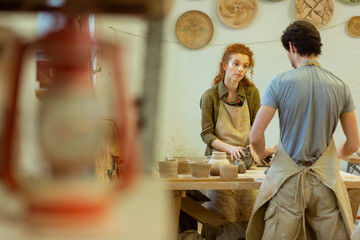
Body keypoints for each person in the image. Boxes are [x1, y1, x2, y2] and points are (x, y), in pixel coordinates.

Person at [246, 20, 360, 239]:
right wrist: (329, 160)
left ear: (291, 47)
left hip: (287, 182)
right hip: (325, 185)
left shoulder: (280, 82)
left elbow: (255, 135)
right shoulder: (340, 86)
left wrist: (262, 155)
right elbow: (354, 143)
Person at [200, 43, 260, 225]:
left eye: (245, 66)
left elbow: (257, 128)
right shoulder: (210, 96)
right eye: (236, 64)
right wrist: (230, 148)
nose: (240, 69)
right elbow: (207, 135)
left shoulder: (251, 93)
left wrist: (256, 148)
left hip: (245, 162)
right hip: (218, 163)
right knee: (219, 219)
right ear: (225, 65)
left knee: (246, 218)